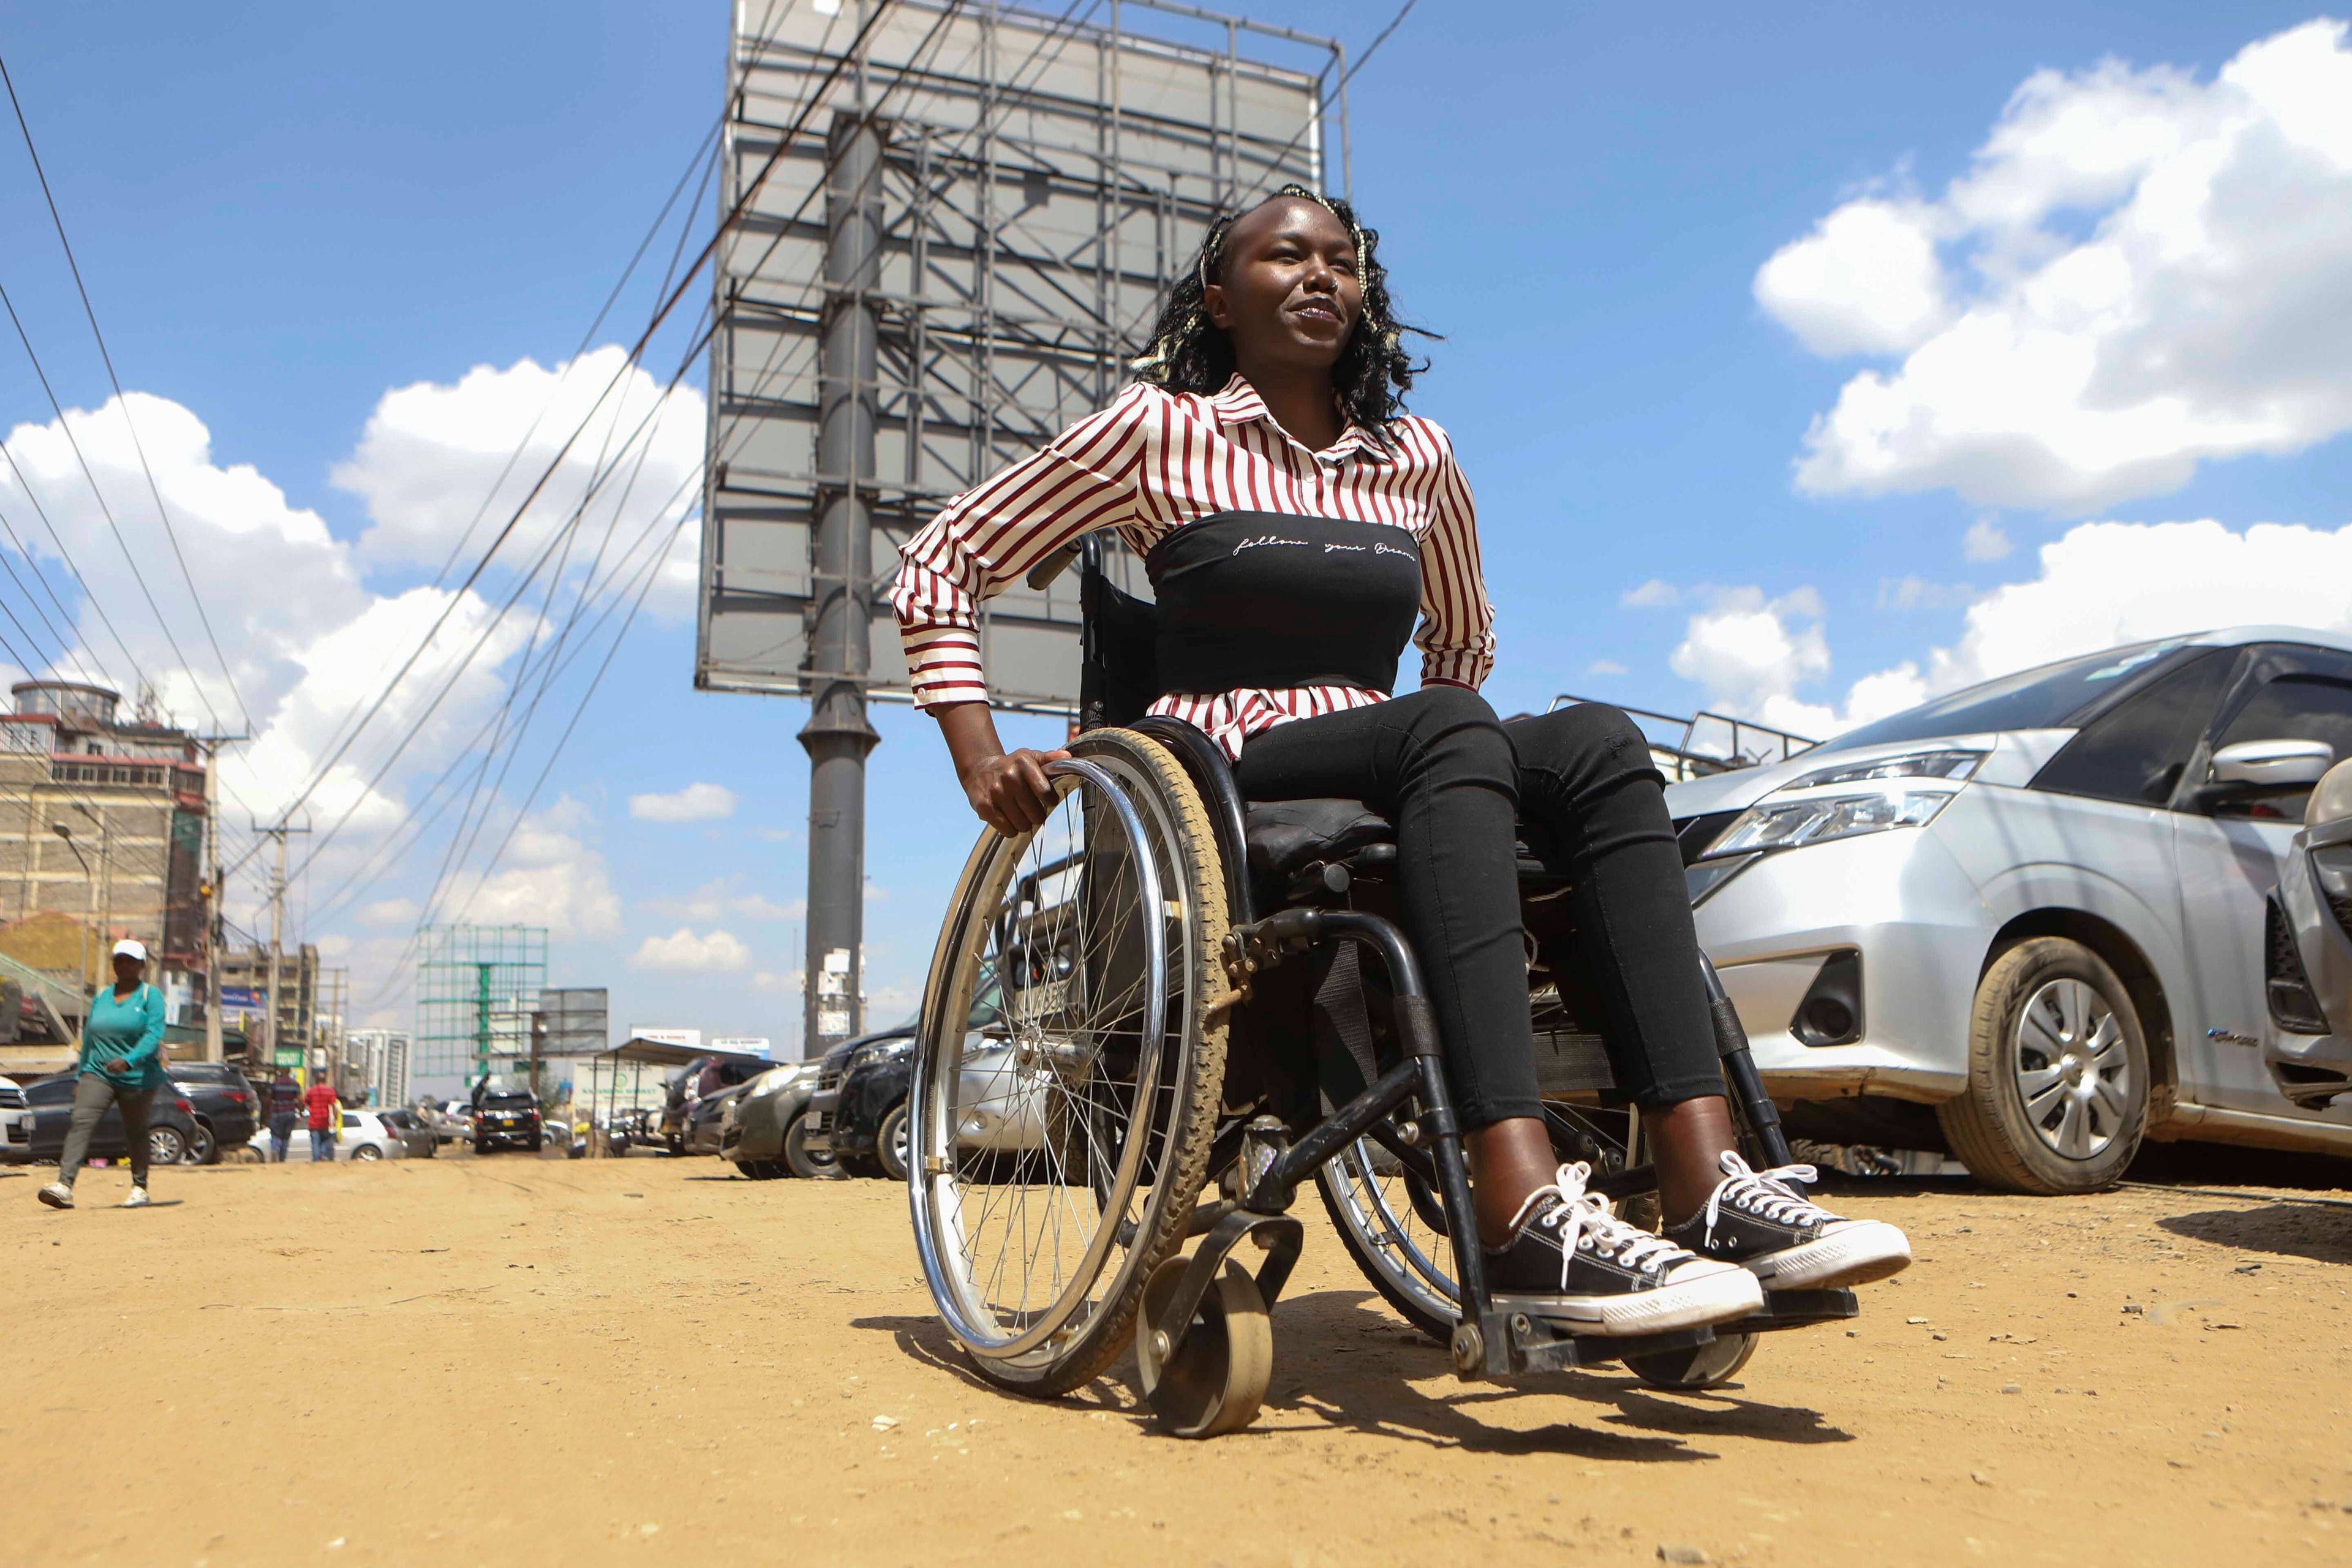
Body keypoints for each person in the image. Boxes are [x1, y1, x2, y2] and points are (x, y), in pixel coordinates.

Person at [890, 185, 1912, 1335]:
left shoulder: (1417, 456)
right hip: (1227, 763)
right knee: (1447, 729)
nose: (1321, 276)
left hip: (1391, 744)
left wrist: (1455, 779)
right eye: (1285, 257)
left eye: (1342, 260)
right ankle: (1518, 1203)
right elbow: (940, 565)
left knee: (1598, 745)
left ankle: (1708, 1178)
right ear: (1222, 299)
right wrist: (979, 754)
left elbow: (1463, 638)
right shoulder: (1155, 430)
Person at [37, 938, 168, 1210]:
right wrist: (79, 1074)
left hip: (138, 1077)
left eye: (130, 961)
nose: (123, 965)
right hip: (98, 1072)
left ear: (142, 965)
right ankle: (64, 1186)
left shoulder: (150, 996)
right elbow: (90, 1040)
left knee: (135, 1130)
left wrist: (129, 1060)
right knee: (80, 1121)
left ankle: (140, 1188)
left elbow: (154, 1034)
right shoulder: (102, 996)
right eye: (118, 960)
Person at [266, 1069, 301, 1162]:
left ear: (281, 1073)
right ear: (290, 1072)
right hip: (290, 1114)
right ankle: (282, 1158)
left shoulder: (275, 1084)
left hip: (277, 1113)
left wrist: (268, 1113)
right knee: (286, 1137)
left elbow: (269, 1099)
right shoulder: (295, 1084)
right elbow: (300, 1101)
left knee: (275, 1134)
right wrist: (300, 1112)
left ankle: (275, 1149)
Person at [304, 1074, 341, 1162]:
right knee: (326, 1140)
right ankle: (322, 1155)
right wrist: (335, 1119)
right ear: (325, 1081)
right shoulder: (330, 1091)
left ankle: (317, 1160)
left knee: (315, 1143)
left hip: (314, 1122)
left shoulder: (311, 1091)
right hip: (325, 1122)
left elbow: (306, 1103)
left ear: (316, 1081)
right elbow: (333, 1106)